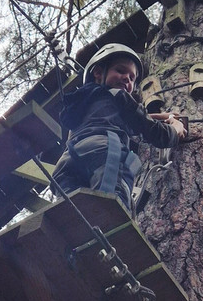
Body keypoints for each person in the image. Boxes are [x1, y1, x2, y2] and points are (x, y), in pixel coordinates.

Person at [54, 43, 186, 212]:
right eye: (121, 71)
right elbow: (151, 130)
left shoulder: (82, 101)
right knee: (111, 206)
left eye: (132, 78)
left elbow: (115, 119)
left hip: (66, 163)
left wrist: (162, 116)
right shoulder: (120, 96)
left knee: (72, 216)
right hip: (102, 153)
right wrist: (175, 128)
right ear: (99, 73)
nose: (127, 79)